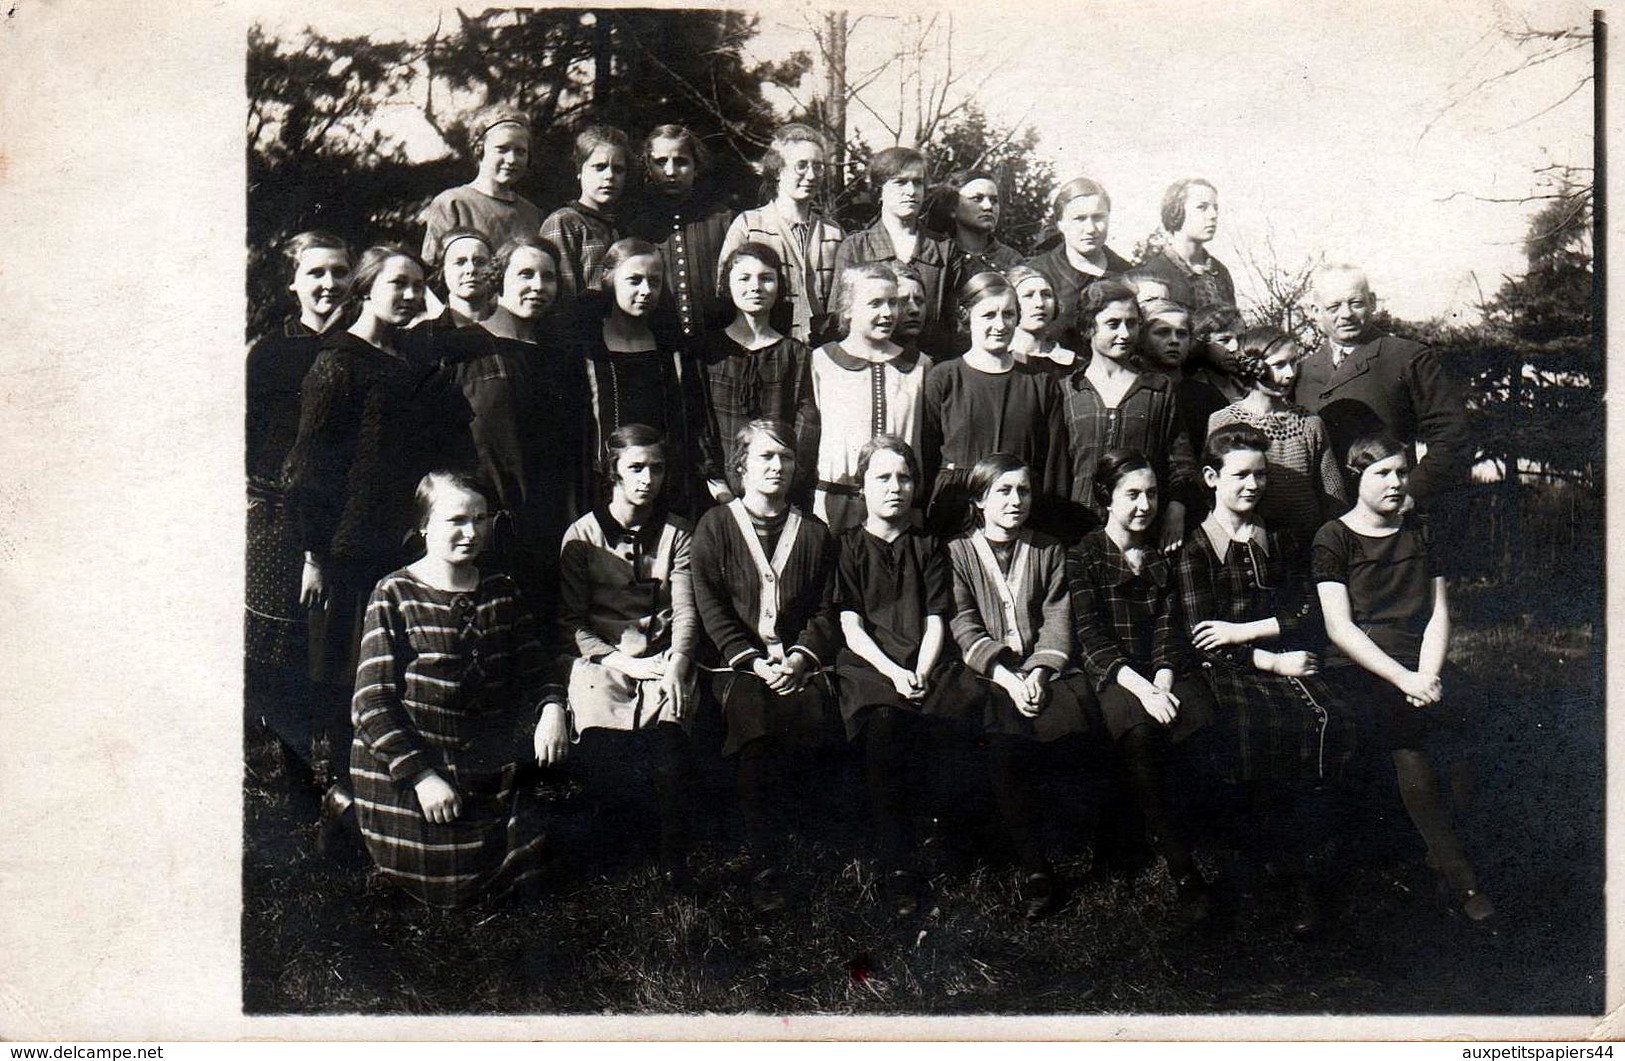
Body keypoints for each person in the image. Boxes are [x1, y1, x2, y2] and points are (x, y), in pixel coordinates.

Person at [282, 245, 453, 831]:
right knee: (340, 666)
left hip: (398, 545)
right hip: (345, 550)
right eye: (398, 284)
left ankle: (382, 784)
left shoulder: (405, 359)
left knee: (385, 669)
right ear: (365, 286)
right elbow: (307, 467)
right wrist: (314, 554)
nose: (411, 296)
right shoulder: (338, 362)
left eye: (418, 285)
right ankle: (335, 796)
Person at [350, 471, 569, 907]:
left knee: (540, 853)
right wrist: (422, 777)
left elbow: (538, 668)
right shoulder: (394, 593)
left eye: (481, 519)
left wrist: (552, 710)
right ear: (425, 525)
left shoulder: (500, 591)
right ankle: (350, 819)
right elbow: (371, 702)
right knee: (446, 874)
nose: (471, 533)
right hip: (413, 764)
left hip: (482, 761)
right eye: (456, 521)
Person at [1172, 423, 1356, 934]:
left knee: (1328, 719)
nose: (1251, 486)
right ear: (1210, 477)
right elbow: (1202, 637)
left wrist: (1249, 630)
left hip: (1286, 654)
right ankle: (1253, 871)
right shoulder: (1195, 548)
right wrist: (1266, 658)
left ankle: (1304, 869)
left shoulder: (1282, 538)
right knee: (1246, 731)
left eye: (1260, 475)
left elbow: (1307, 611)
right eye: (1239, 476)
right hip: (1234, 670)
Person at [1313, 435, 1494, 922]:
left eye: (1401, 472)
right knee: (1408, 738)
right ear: (1356, 479)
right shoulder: (1335, 536)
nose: (1396, 483)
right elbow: (1339, 627)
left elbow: (1438, 614)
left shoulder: (1421, 530)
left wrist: (1429, 675)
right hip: (1363, 663)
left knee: (1478, 718)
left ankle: (1438, 854)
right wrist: (1404, 680)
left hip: (1422, 658)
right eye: (1382, 474)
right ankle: (1463, 882)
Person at [691, 420, 840, 914]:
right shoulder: (715, 527)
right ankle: (765, 861)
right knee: (754, 722)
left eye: (785, 459)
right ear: (741, 467)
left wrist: (799, 658)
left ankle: (813, 840)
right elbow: (710, 606)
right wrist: (752, 660)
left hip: (799, 663)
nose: (777, 468)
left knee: (810, 718)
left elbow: (824, 609)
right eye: (764, 458)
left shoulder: (816, 532)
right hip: (737, 666)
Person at [833, 436, 982, 916]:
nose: (895, 488)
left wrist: (919, 669)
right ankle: (896, 864)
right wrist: (894, 674)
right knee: (885, 727)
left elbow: (937, 617)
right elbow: (851, 626)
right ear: (862, 488)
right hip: (871, 665)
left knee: (954, 716)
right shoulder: (849, 546)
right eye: (882, 478)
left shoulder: (928, 546)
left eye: (904, 478)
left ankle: (950, 845)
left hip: (926, 660)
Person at [1066, 451, 1216, 922]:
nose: (1144, 505)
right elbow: (1091, 637)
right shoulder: (1085, 554)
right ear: (1107, 500)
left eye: (1151, 494)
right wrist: (1145, 690)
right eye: (1131, 495)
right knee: (1140, 733)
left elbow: (1171, 627)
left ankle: (1207, 834)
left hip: (1160, 669)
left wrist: (1165, 680)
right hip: (1114, 675)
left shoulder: (1161, 552)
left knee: (1201, 720)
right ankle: (1182, 868)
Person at [946, 454, 1095, 919]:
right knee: (1003, 743)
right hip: (990, 674)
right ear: (979, 500)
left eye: (1023, 491)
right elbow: (964, 621)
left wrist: (1038, 672)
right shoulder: (957, 552)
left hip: (1040, 670)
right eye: (1003, 491)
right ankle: (1034, 867)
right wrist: (1008, 677)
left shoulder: (1049, 549)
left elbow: (1057, 616)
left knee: (1072, 729)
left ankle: (1089, 845)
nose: (1015, 500)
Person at [559, 425, 699, 888]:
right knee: (601, 738)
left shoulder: (678, 532)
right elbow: (573, 623)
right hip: (605, 661)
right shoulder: (582, 535)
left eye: (656, 468)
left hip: (662, 657)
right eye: (636, 468)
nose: (647, 479)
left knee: (671, 737)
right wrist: (621, 662)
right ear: (613, 471)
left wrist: (678, 661)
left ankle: (671, 858)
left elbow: (684, 609)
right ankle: (611, 850)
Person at [247, 231, 353, 782]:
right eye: (316, 274)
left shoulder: (365, 345)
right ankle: (297, 779)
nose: (328, 284)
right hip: (280, 516)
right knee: (282, 649)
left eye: (338, 271)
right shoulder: (269, 352)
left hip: (348, 517)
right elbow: (252, 439)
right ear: (294, 283)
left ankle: (345, 776)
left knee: (340, 647)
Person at [432, 236, 578, 607]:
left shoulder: (557, 356)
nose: (538, 286)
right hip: (484, 531)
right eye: (525, 274)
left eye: (548, 277)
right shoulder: (459, 348)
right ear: (498, 278)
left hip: (548, 527)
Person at [1295, 266, 1471, 535]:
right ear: (1314, 310)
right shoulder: (1302, 370)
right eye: (1333, 306)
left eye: (1356, 303)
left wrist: (1412, 491)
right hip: (1320, 524)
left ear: (1373, 302)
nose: (1346, 314)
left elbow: (1452, 434)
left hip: (1389, 519)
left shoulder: (1408, 357)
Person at [922, 272, 1070, 540]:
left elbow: (1054, 465)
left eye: (1009, 314)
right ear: (967, 316)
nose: (1000, 325)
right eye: (989, 315)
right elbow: (926, 455)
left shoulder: (1040, 383)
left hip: (1021, 513)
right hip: (956, 511)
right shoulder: (944, 377)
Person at [577, 238, 713, 520]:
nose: (645, 290)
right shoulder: (587, 350)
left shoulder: (671, 351)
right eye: (634, 280)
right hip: (602, 490)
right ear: (611, 281)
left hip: (663, 488)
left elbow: (688, 425)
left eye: (654, 281)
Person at [1061, 281, 1198, 551]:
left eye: (1132, 323)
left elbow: (1181, 461)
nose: (1124, 333)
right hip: (1078, 531)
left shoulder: (1158, 389)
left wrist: (1176, 508)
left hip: (1143, 533)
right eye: (1113, 324)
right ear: (1089, 328)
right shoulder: (1067, 390)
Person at [805, 263, 933, 532]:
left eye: (892, 303)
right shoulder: (820, 362)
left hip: (900, 505)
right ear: (849, 309)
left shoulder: (919, 366)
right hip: (837, 503)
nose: (888, 313)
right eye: (875, 303)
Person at [697, 242, 817, 506]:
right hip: (718, 496)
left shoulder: (795, 355)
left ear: (779, 286)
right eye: (744, 278)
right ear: (727, 285)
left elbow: (806, 426)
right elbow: (699, 423)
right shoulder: (708, 351)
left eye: (766, 278)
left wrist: (782, 486)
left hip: (780, 495)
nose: (755, 287)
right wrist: (719, 487)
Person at [1207, 327, 1347, 549]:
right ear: (1254, 367)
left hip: (1307, 542)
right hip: (1252, 545)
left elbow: (1333, 494)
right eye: (1279, 365)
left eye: (1293, 362)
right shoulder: (1223, 421)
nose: (1290, 373)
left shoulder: (1310, 423)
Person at [718, 123, 844, 344]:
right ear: (778, 170)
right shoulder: (748, 224)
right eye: (801, 166)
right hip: (766, 349)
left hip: (824, 351)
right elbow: (724, 289)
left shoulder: (833, 232)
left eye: (818, 166)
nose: (812, 175)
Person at [834, 146, 952, 349]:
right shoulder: (856, 247)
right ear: (880, 190)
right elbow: (840, 320)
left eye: (917, 183)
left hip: (930, 363)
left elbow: (954, 325)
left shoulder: (944, 249)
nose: (911, 191)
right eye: (900, 182)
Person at [625, 124, 734, 342]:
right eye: (660, 162)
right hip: (659, 347)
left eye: (681, 161)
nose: (671, 171)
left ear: (697, 166)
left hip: (719, 347)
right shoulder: (636, 226)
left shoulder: (723, 220)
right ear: (647, 167)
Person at [420, 105, 542, 266]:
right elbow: (432, 269)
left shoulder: (532, 213)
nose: (512, 159)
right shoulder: (452, 203)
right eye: (502, 149)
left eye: (520, 152)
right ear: (479, 149)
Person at [1024, 177, 1133, 352]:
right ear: (1061, 223)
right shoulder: (1037, 274)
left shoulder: (1128, 274)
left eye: (1098, 217)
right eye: (1079, 219)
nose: (1090, 229)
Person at [540, 125, 631, 309]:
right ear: (580, 171)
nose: (609, 176)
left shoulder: (621, 227)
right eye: (600, 167)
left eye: (618, 169)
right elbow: (561, 298)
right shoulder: (564, 222)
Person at [1135, 178, 1236, 314]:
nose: (1213, 215)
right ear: (1176, 211)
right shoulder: (1155, 273)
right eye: (1202, 207)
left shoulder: (1220, 272)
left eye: (1215, 208)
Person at [930, 168, 1024, 296]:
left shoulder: (1012, 260)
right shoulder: (937, 256)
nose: (988, 206)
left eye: (994, 200)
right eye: (977, 199)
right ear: (953, 208)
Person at [1006, 265, 1079, 377]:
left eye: (1046, 295)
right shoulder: (997, 360)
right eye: (1028, 295)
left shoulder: (1074, 364)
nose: (1039, 303)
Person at [418, 229, 494, 332]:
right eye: (460, 262)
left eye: (480, 262)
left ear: (493, 268)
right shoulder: (423, 335)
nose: (471, 269)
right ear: (442, 271)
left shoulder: (513, 327)